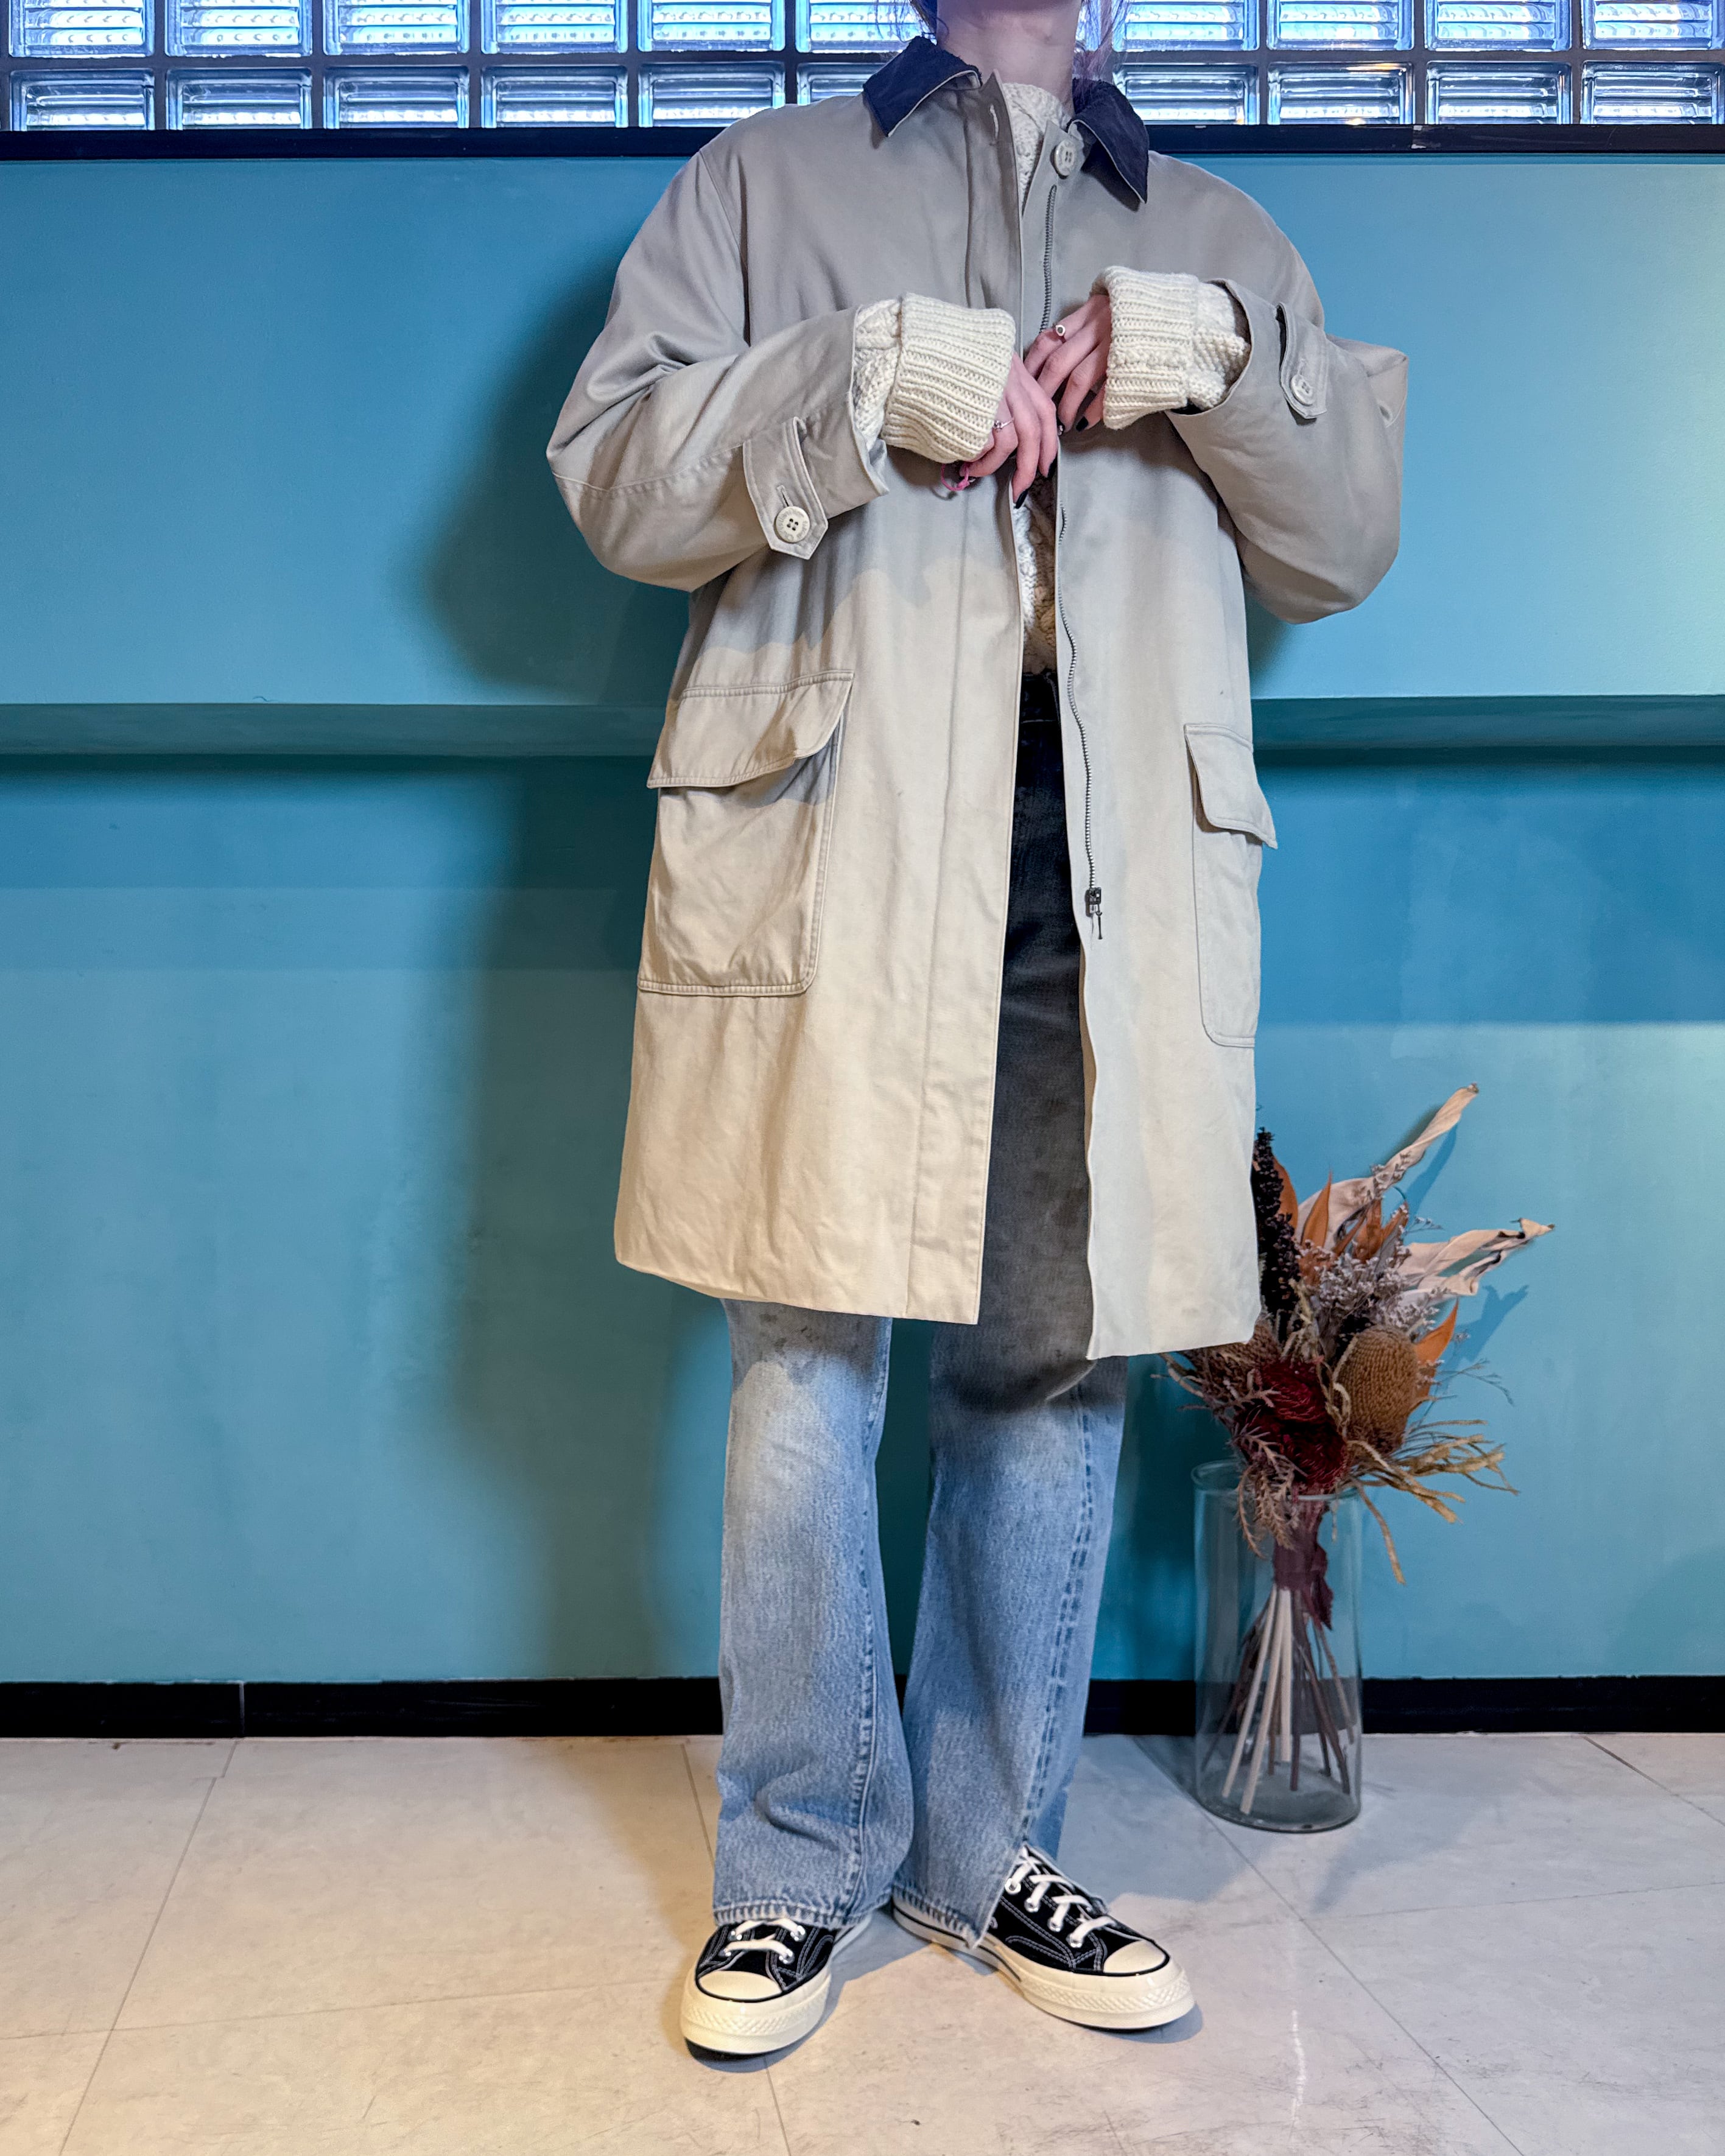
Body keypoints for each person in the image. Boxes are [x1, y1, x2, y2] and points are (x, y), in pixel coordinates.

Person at [549, 0, 1405, 2057]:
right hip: (835, 844)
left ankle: (988, 1847)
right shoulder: (757, 188)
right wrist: (850, 378)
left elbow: (1339, 546)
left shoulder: (1217, 230)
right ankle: (794, 1863)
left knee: (1051, 1358)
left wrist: (1218, 355)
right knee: (803, 1357)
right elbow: (616, 487)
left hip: (1104, 869)